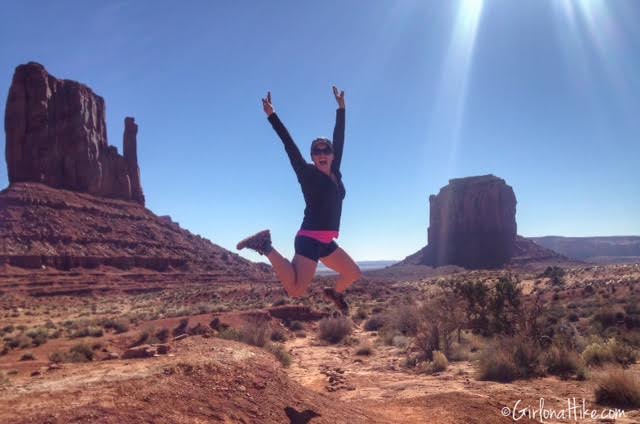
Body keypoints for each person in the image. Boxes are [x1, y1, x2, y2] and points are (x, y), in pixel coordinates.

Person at [236, 86, 361, 314]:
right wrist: (272, 116)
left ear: (332, 155)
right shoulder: (307, 174)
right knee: (295, 290)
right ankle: (265, 246)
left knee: (353, 273)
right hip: (309, 239)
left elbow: (339, 139)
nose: (322, 154)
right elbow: (289, 146)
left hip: (326, 241)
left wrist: (341, 109)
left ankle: (336, 294)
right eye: (317, 151)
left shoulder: (336, 172)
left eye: (326, 151)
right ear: (313, 156)